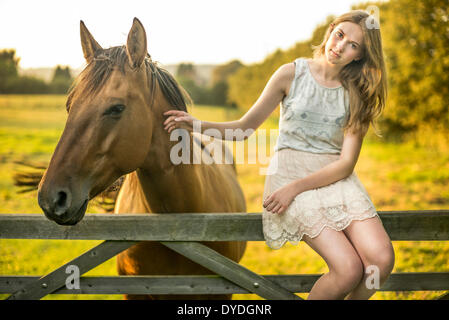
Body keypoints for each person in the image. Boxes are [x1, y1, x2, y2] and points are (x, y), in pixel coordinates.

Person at [163, 10, 395, 300]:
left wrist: (295, 189)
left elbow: (346, 163)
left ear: (359, 56)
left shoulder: (356, 93)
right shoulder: (291, 74)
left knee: (381, 260)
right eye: (340, 35)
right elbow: (245, 127)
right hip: (291, 174)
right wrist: (196, 125)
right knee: (347, 269)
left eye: (353, 45)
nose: (340, 46)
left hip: (334, 180)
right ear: (331, 30)